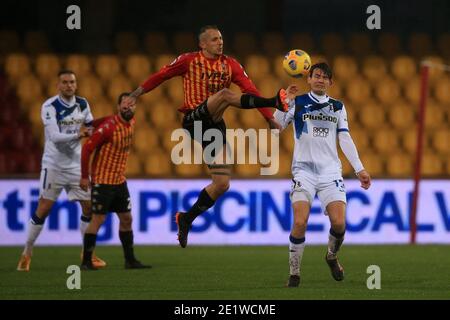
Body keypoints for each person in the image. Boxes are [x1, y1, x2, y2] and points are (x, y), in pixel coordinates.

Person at [124, 25, 289, 248]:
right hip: (194, 119)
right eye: (213, 39)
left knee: (221, 184)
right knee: (224, 94)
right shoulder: (189, 60)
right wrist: (136, 94)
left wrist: (269, 119)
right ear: (202, 44)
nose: (219, 42)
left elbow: (250, 88)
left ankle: (186, 218)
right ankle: (274, 101)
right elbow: (161, 75)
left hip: (214, 127)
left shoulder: (230, 65)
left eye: (220, 38)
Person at [273, 63, 371, 287]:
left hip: (330, 172)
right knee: (300, 221)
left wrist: (359, 168)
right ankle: (295, 273)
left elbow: (344, 138)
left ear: (330, 83)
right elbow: (275, 127)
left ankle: (331, 255)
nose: (320, 80)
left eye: (325, 77)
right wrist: (282, 103)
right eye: (316, 76)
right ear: (309, 79)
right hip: (303, 171)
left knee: (338, 223)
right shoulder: (297, 103)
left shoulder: (337, 107)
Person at [17, 70, 106, 271]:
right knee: (44, 208)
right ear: (58, 85)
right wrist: (79, 134)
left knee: (89, 207)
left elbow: (91, 126)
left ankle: (87, 254)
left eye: (72, 82)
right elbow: (55, 137)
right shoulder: (49, 106)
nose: (68, 85)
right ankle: (26, 253)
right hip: (54, 165)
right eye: (64, 82)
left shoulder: (83, 104)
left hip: (75, 165)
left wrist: (105, 125)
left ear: (76, 84)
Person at [79, 92, 150, 270]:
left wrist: (90, 124)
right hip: (103, 181)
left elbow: (100, 121)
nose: (128, 108)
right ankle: (86, 261)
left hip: (119, 181)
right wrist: (83, 176)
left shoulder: (130, 122)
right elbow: (87, 149)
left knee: (127, 219)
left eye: (131, 105)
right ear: (119, 107)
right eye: (125, 105)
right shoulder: (109, 128)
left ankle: (130, 260)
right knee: (98, 220)